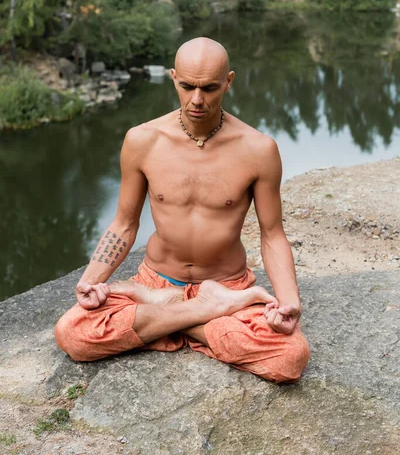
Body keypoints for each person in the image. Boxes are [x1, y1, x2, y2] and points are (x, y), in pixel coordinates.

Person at [55, 37, 310, 383]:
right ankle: (204, 312)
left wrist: (289, 300)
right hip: (155, 279)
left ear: (229, 81)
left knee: (290, 358)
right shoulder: (142, 140)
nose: (197, 100)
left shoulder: (258, 150)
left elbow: (272, 233)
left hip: (228, 285)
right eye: (187, 86)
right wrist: (90, 281)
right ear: (173, 77)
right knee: (72, 332)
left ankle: (172, 312)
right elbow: (124, 224)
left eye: (210, 88)